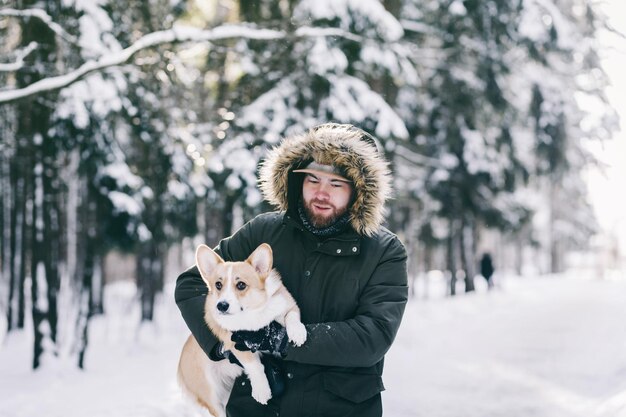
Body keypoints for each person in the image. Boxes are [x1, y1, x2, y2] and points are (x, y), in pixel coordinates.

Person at [175, 123, 408, 417]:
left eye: (336, 184)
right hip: (258, 408)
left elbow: (372, 336)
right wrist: (225, 344)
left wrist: (281, 339)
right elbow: (192, 285)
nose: (322, 193)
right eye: (313, 180)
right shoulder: (264, 231)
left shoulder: (384, 252)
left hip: (340, 407)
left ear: (359, 192)